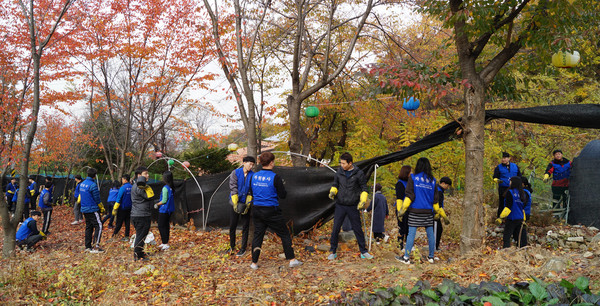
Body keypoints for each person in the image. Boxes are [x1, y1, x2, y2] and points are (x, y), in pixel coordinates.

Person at [249, 152, 302, 269]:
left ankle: (254, 263)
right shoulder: (275, 177)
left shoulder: (253, 176)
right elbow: (283, 195)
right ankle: (292, 260)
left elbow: (252, 193)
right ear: (271, 162)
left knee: (258, 235)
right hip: (271, 211)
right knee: (284, 234)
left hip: (257, 210)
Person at [396, 157, 448, 264]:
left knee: (411, 234)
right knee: (430, 235)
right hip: (428, 212)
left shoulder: (413, 178)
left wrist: (403, 209)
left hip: (415, 211)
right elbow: (435, 200)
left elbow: (409, 195)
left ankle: (406, 258)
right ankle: (431, 257)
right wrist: (439, 212)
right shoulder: (433, 180)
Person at [328, 152, 373, 260]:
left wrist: (362, 201)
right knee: (335, 229)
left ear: (350, 163)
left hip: (353, 205)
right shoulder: (339, 172)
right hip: (340, 205)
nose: (341, 165)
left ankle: (363, 251)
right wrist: (333, 191)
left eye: (343, 163)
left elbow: (364, 188)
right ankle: (332, 251)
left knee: (358, 229)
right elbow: (335, 184)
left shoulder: (359, 173)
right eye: (341, 163)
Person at [228, 156, 255, 256]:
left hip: (245, 204)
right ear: (244, 163)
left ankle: (243, 248)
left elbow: (251, 191)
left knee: (245, 226)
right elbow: (233, 187)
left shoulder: (253, 175)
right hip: (234, 202)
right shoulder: (235, 173)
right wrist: (235, 203)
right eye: (249, 164)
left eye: (252, 164)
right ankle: (232, 246)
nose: (251, 166)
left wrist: (247, 205)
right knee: (232, 226)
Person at [495, 176, 529, 248]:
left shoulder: (510, 192)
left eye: (510, 181)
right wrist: (524, 220)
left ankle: (506, 251)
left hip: (512, 218)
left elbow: (508, 207)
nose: (509, 182)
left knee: (507, 237)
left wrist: (501, 217)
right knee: (519, 237)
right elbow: (523, 207)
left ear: (513, 183)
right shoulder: (523, 193)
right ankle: (522, 251)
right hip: (520, 218)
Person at [79, 168, 106, 253]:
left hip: (84, 209)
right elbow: (97, 199)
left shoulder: (82, 184)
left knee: (89, 226)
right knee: (99, 225)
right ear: (95, 176)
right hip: (92, 209)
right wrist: (102, 208)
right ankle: (96, 246)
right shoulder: (93, 185)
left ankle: (88, 246)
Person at [131, 167, 154, 261]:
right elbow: (150, 196)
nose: (147, 175)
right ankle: (137, 255)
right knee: (141, 235)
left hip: (140, 214)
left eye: (148, 173)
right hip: (141, 215)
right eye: (145, 174)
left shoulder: (139, 185)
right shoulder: (139, 186)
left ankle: (140, 252)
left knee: (142, 234)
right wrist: (147, 187)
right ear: (139, 175)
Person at [493, 152, 521, 218]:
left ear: (509, 158)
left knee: (514, 203)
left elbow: (519, 176)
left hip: (514, 189)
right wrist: (497, 180)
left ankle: (513, 219)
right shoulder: (498, 167)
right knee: (502, 204)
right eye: (502, 158)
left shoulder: (515, 166)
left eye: (505, 158)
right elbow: (495, 177)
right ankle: (500, 219)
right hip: (503, 188)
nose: (503, 159)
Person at [155, 171, 175, 251]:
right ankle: (165, 243)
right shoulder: (171, 187)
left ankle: (165, 243)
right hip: (170, 210)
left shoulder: (165, 188)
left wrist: (156, 204)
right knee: (166, 226)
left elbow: (164, 200)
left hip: (164, 210)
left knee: (161, 226)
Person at [395, 165, 411, 250]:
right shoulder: (400, 183)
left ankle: (408, 246)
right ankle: (399, 246)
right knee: (402, 228)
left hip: (409, 209)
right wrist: (399, 211)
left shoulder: (410, 183)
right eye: (410, 172)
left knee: (408, 229)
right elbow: (399, 199)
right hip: (401, 209)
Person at [112, 174, 133, 240]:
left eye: (122, 179)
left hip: (122, 208)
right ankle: (126, 236)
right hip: (130, 208)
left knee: (119, 222)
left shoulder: (122, 188)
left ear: (125, 179)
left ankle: (114, 236)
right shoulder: (132, 187)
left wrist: (115, 208)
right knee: (127, 222)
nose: (122, 180)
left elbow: (118, 199)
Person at [434, 177, 452, 252]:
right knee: (437, 230)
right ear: (443, 183)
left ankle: (435, 246)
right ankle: (434, 247)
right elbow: (438, 205)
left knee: (438, 229)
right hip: (434, 214)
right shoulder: (439, 191)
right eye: (447, 185)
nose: (447, 188)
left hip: (436, 213)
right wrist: (444, 217)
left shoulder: (439, 190)